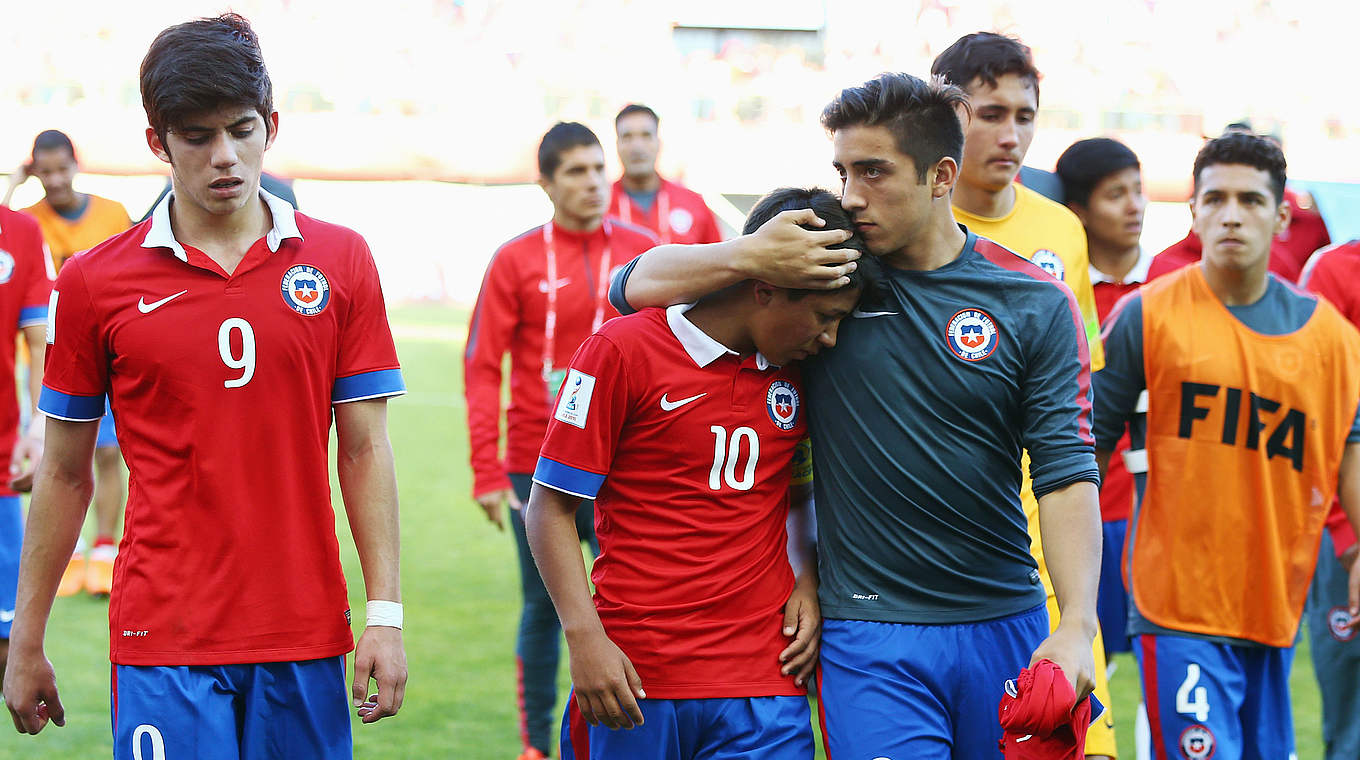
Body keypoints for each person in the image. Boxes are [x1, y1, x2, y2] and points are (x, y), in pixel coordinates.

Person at [613, 72, 1102, 759]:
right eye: (842, 170)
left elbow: (1066, 470)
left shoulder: (1034, 302)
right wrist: (748, 250)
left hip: (1004, 621)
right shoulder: (818, 275)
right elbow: (628, 287)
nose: (850, 195)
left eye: (873, 171)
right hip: (869, 637)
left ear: (940, 176)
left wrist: (1077, 622)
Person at [2, 14, 408, 758]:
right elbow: (63, 470)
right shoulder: (96, 282)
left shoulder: (341, 261)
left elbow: (364, 450)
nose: (225, 156)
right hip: (163, 638)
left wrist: (384, 613)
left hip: (304, 631)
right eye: (196, 136)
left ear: (271, 126)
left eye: (241, 129)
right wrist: (26, 637)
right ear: (158, 141)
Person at [528, 187, 868, 760]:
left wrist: (806, 578)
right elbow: (550, 507)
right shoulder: (619, 351)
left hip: (764, 680)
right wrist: (584, 639)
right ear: (766, 287)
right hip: (636, 677)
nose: (830, 338)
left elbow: (798, 497)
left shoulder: (804, 374)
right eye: (824, 317)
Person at [1094, 133, 1360, 759]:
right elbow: (1084, 446)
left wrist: (1356, 558)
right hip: (1177, 603)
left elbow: (1351, 447)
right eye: (1214, 199)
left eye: (1250, 200)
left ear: (1282, 215)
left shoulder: (1331, 339)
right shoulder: (1146, 315)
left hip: (1273, 603)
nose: (1231, 214)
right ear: (1193, 212)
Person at [932, 33, 1115, 756]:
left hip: (1049, 550)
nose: (1012, 135)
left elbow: (1080, 398)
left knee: (1081, 743)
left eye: (1025, 115)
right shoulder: (904, 228)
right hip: (942, 564)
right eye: (990, 113)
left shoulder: (1061, 230)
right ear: (946, 115)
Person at [464, 121, 657, 760]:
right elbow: (482, 363)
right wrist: (486, 471)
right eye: (576, 172)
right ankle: (536, 747)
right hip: (535, 462)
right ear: (546, 184)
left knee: (629, 602)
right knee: (545, 607)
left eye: (599, 169)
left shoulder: (642, 250)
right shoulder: (515, 258)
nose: (594, 182)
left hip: (625, 461)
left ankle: (629, 732)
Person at [4, 129, 132, 598]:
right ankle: (71, 549)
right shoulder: (26, 220)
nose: (55, 180)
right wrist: (14, 186)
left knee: (107, 452)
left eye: (62, 169)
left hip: (105, 353)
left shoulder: (112, 214)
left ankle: (103, 547)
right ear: (35, 171)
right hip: (44, 357)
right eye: (45, 171)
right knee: (53, 455)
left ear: (75, 166)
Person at [1055, 137, 1155, 660]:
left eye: (1138, 191)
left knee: (1164, 670)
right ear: (1079, 212)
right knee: (1090, 667)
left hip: (1157, 514)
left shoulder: (1172, 283)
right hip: (1086, 513)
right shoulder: (1059, 292)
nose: (1134, 205)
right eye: (1116, 194)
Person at [1299, 239, 1360, 760]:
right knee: (1352, 712)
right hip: (1348, 531)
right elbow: (1319, 417)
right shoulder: (1337, 270)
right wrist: (1351, 540)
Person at [0, 205, 54, 685]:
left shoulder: (19, 231)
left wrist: (39, 426)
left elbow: (39, 339)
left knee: (7, 633)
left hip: (0, 465)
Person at [609, 104, 722, 245]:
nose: (637, 146)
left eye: (646, 135)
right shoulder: (599, 207)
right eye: (627, 137)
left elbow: (719, 262)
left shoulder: (694, 204)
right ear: (617, 145)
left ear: (659, 142)